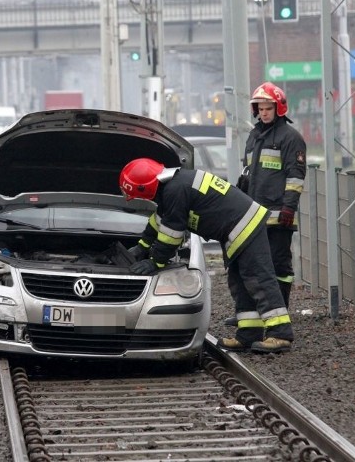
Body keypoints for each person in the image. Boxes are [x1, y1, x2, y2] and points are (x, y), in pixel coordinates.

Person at [119, 158, 294, 353]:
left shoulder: (175, 191)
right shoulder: (174, 185)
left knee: (259, 278)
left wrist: (155, 262)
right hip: (239, 226)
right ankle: (248, 334)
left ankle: (280, 334)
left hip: (244, 225)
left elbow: (172, 235)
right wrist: (141, 246)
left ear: (145, 188)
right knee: (240, 281)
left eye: (137, 195)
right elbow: (159, 220)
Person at [226, 82, 306, 327]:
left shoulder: (291, 138)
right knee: (253, 266)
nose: (263, 112)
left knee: (279, 266)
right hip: (255, 216)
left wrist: (288, 208)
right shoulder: (254, 136)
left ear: (278, 108)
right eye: (260, 108)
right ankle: (255, 313)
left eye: (268, 108)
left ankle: (280, 311)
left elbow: (295, 177)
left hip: (280, 217)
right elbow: (248, 172)